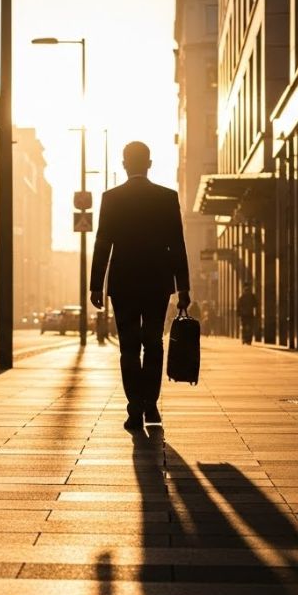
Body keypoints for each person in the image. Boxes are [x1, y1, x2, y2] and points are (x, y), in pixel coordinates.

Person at [90, 141, 190, 431]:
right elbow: (177, 245)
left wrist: (97, 285)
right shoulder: (166, 197)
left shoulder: (112, 198)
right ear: (149, 164)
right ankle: (151, 404)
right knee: (154, 343)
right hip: (158, 283)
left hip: (123, 284)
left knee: (129, 347)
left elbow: (102, 242)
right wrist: (183, 287)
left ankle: (134, 407)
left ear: (124, 164)